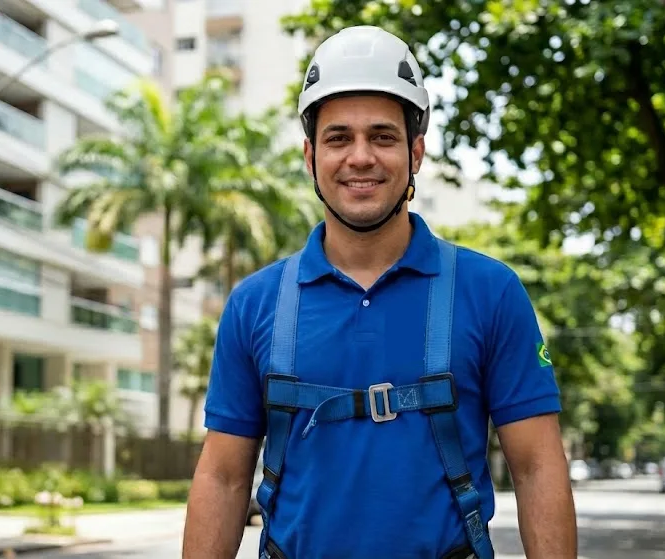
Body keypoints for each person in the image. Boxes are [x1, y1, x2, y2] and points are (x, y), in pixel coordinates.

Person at [181, 25, 578, 559]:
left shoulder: (491, 292)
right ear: (310, 156)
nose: (361, 157)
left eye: (383, 137)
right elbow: (224, 478)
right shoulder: (256, 304)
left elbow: (536, 468)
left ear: (415, 152)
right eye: (339, 137)